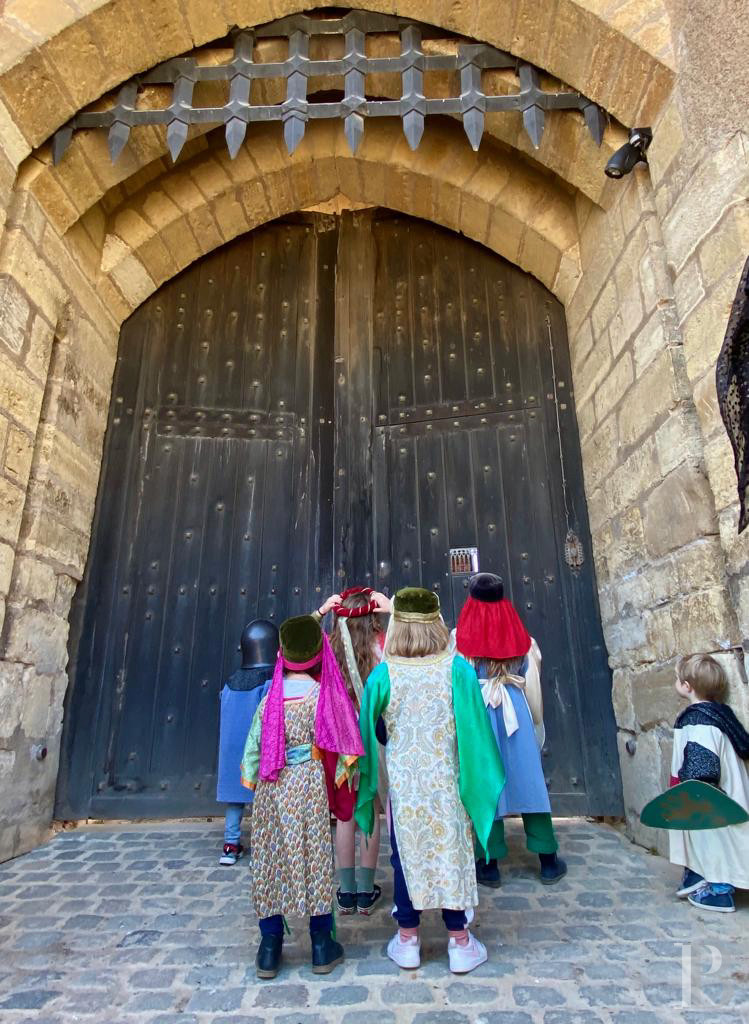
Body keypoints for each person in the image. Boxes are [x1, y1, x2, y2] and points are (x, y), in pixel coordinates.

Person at [356, 587, 505, 974]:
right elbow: (474, 730)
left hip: (406, 789)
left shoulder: (383, 676)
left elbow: (374, 732)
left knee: (406, 855)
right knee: (452, 852)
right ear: (437, 622)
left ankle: (408, 939)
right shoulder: (458, 671)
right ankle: (459, 941)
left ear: (398, 627)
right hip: (448, 784)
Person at [241, 614, 364, 978]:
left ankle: (269, 947)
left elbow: (252, 750)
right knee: (314, 858)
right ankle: (322, 945)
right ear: (317, 653)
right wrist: (347, 774)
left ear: (282, 653)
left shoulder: (269, 701)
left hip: (273, 788)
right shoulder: (321, 697)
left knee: (270, 859)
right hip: (308, 784)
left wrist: (251, 777)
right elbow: (344, 746)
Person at [455, 572, 566, 887]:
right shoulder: (523, 637)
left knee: (486, 780)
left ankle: (489, 863)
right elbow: (532, 676)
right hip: (514, 706)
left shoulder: (459, 638)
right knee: (527, 778)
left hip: (480, 710)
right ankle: (547, 859)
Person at [669, 653, 749, 913]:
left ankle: (719, 892)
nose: (676, 682)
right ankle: (697, 872)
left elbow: (703, 766)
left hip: (713, 800)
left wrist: (690, 790)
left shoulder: (699, 721)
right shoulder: (718, 714)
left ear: (687, 686)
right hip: (724, 795)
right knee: (706, 841)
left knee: (716, 842)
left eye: (677, 679)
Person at [328, 587, 388, 915]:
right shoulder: (381, 647)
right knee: (371, 812)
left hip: (340, 743)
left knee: (345, 815)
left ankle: (346, 891)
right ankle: (366, 891)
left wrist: (321, 611)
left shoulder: (329, 650)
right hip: (371, 741)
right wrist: (393, 609)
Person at [216, 619, 278, 865]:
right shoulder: (268, 680)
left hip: (232, 750)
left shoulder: (231, 681)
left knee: (235, 798)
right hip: (256, 750)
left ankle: (230, 845)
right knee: (262, 797)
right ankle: (263, 847)